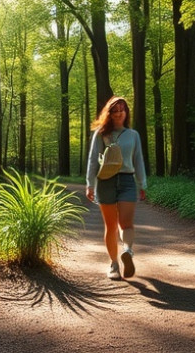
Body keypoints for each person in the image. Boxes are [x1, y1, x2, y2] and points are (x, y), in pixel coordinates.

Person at [86, 96, 147, 280]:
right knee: (111, 226)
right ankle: (114, 264)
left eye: (122, 109)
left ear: (126, 112)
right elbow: (92, 160)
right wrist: (90, 184)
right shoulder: (101, 133)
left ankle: (127, 251)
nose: (119, 112)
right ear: (109, 113)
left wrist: (142, 183)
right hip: (106, 181)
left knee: (126, 223)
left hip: (127, 181)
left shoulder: (133, 135)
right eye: (115, 110)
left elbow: (138, 160)